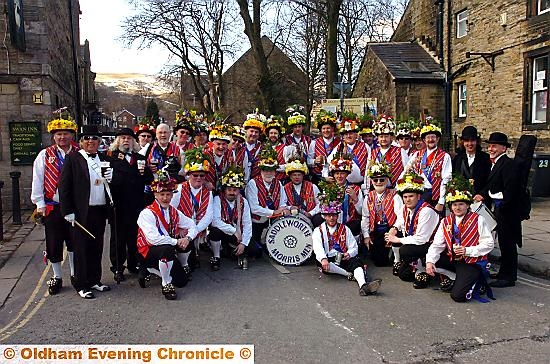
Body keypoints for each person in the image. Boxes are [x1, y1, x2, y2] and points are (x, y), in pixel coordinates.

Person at [59, 125, 115, 299]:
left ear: (99, 141)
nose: (90, 141)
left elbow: (111, 185)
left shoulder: (105, 158)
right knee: (81, 249)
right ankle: (81, 284)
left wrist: (112, 178)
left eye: (94, 138)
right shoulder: (73, 159)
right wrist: (67, 211)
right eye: (86, 138)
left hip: (100, 210)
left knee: (97, 247)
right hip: (81, 212)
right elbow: (64, 186)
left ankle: (94, 280)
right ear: (81, 142)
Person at [31, 110, 78, 295]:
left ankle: (75, 275)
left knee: (74, 242)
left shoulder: (78, 153)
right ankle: (57, 276)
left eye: (66, 133)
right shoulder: (44, 155)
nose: (62, 137)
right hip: (52, 206)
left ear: (72, 135)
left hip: (74, 206)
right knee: (54, 243)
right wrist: (40, 204)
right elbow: (37, 179)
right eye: (58, 134)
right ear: (53, 136)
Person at [426, 176, 494, 302]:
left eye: (461, 204)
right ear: (450, 206)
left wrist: (467, 251)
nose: (457, 208)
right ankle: (454, 276)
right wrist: (430, 261)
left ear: (468, 205)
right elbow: (437, 244)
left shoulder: (478, 219)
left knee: (458, 296)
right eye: (454, 204)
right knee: (423, 252)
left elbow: (489, 244)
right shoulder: (446, 221)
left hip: (471, 262)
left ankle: (475, 279)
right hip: (453, 258)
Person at [313, 182, 382, 296]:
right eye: (329, 215)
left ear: (337, 215)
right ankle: (348, 275)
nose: (332, 218)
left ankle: (363, 285)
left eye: (334, 215)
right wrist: (323, 259)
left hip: (344, 257)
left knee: (356, 262)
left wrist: (348, 254)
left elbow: (353, 246)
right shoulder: (318, 231)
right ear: (324, 216)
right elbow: (317, 247)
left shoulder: (345, 229)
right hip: (330, 259)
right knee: (321, 263)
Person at [136, 172, 198, 300]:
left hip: (166, 247)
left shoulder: (173, 211)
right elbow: (153, 239)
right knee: (167, 248)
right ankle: (165, 283)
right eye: (162, 194)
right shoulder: (147, 213)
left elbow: (192, 225)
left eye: (168, 194)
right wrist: (176, 241)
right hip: (148, 251)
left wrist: (187, 238)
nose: (165, 198)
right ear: (155, 195)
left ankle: (157, 270)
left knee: (182, 281)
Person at [475, 132, 522, 288]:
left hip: (507, 211)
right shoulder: (498, 163)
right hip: (501, 209)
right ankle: (504, 273)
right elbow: (491, 186)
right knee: (503, 242)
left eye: (494, 146)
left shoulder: (508, 164)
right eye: (489, 146)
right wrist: (482, 194)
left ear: (503, 148)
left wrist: (496, 202)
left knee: (508, 243)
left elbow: (510, 190)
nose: (491, 148)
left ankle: (508, 277)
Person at [107, 127, 154, 282]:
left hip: (136, 203)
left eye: (128, 138)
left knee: (135, 236)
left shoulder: (139, 157)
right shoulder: (111, 157)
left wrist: (145, 172)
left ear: (133, 141)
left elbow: (148, 179)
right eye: (122, 138)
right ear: (117, 141)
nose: (126, 140)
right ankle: (118, 267)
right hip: (119, 204)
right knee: (118, 238)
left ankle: (134, 264)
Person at [385, 172, 440, 287]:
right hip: (417, 243)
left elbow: (421, 239)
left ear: (418, 196)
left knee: (405, 250)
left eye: (411, 196)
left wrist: (397, 240)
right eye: (405, 197)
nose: (407, 200)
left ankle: (425, 271)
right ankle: (418, 267)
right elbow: (400, 220)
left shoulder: (426, 211)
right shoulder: (405, 208)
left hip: (432, 245)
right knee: (403, 275)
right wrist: (394, 229)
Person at [171, 147, 214, 271]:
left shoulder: (208, 192)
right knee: (190, 262)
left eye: (202, 175)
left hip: (196, 228)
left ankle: (192, 254)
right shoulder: (179, 189)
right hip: (182, 228)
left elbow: (208, 216)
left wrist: (194, 230)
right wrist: (180, 227)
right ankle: (183, 262)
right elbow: (172, 210)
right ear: (189, 175)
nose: (199, 178)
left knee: (194, 263)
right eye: (195, 175)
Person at [245, 144, 290, 254]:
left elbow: (283, 202)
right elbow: (254, 208)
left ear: (275, 171)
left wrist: (284, 209)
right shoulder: (252, 183)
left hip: (273, 222)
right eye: (265, 170)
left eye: (271, 170)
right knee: (256, 252)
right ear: (261, 171)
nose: (268, 173)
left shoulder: (278, 183)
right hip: (257, 222)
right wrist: (273, 212)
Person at [210, 167, 257, 270]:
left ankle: (233, 251)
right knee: (214, 231)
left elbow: (247, 223)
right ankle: (216, 256)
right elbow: (215, 221)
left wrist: (243, 244)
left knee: (255, 251)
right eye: (229, 189)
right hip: (225, 232)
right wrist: (234, 231)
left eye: (235, 190)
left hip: (238, 234)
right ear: (224, 190)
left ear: (239, 190)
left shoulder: (243, 201)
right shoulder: (217, 199)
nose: (232, 192)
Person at [404, 118, 452, 213]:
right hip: (420, 195)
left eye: (433, 137)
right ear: (424, 140)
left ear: (437, 139)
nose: (430, 140)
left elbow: (446, 179)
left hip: (436, 196)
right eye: (428, 137)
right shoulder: (417, 155)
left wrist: (441, 202)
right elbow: (406, 170)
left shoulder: (445, 156)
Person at [361, 162, 403, 267]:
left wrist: (394, 229)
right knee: (379, 262)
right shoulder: (368, 197)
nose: (379, 182)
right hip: (376, 230)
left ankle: (396, 256)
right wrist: (366, 236)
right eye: (376, 180)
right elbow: (365, 217)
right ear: (372, 181)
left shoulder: (395, 195)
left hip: (391, 228)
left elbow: (401, 216)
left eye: (382, 180)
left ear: (387, 180)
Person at [327, 152, 363, 238]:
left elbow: (361, 212)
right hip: (332, 222)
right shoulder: (328, 189)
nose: (339, 176)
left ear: (347, 174)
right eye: (337, 173)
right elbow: (323, 210)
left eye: (342, 173)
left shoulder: (356, 189)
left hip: (350, 223)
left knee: (356, 225)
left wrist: (355, 199)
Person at [366, 115, 408, 189]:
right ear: (377, 138)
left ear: (391, 137)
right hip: (377, 189)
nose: (383, 139)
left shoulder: (400, 151)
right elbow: (368, 170)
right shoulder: (373, 152)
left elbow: (407, 169)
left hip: (396, 188)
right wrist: (367, 187)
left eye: (386, 136)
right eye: (381, 136)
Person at [327, 117, 368, 185]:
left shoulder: (365, 146)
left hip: (362, 184)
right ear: (343, 136)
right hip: (345, 185)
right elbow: (328, 162)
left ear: (356, 134)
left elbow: (369, 165)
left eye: (351, 133)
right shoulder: (339, 147)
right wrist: (326, 176)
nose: (348, 136)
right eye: (346, 134)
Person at [452, 126, 491, 195]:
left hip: (479, 198)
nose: (470, 144)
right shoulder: (457, 158)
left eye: (472, 140)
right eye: (467, 141)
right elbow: (453, 177)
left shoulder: (485, 158)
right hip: (461, 198)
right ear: (463, 142)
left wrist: (482, 194)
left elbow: (490, 180)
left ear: (477, 141)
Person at [283, 158, 322, 226]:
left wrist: (311, 213)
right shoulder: (284, 188)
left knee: (318, 219)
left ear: (303, 175)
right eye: (294, 175)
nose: (297, 177)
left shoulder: (312, 187)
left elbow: (320, 204)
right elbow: (282, 204)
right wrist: (289, 209)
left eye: (299, 175)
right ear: (290, 176)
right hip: (291, 218)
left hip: (310, 216)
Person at [308, 110, 339, 184]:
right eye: (323, 129)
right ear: (321, 130)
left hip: (335, 178)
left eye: (328, 128)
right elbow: (308, 160)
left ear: (332, 129)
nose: (326, 131)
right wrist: (315, 161)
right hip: (319, 178)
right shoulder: (314, 143)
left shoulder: (339, 142)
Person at [236, 111, 265, 182]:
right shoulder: (239, 146)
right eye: (251, 131)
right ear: (246, 132)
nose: (253, 134)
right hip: (238, 181)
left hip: (257, 182)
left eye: (256, 132)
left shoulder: (263, 148)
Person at [204, 124, 234, 192]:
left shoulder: (229, 155)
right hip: (206, 190)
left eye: (223, 144)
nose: (221, 147)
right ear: (213, 144)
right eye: (218, 144)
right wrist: (205, 183)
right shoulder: (205, 155)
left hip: (223, 191)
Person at [264, 117, 288, 183]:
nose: (273, 135)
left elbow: (288, 166)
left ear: (279, 135)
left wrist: (275, 167)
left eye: (275, 133)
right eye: (271, 133)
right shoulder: (264, 148)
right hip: (266, 181)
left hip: (281, 181)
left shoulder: (285, 148)